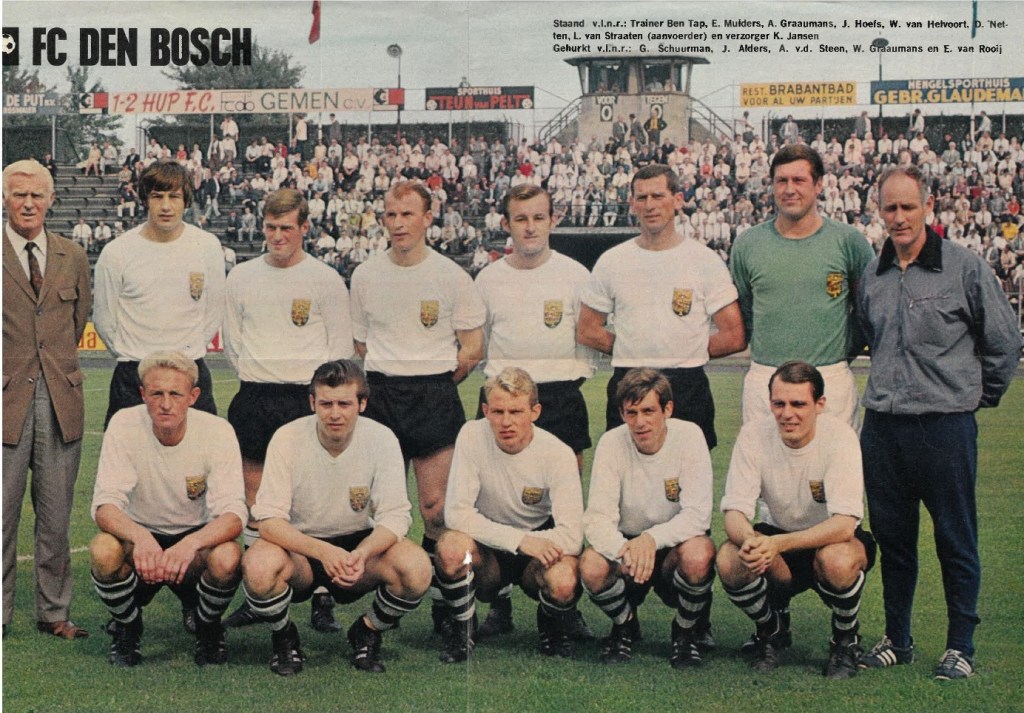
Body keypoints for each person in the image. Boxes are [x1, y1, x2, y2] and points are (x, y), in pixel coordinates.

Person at [856, 166, 1021, 680]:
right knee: (893, 539)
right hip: (883, 426)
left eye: (908, 206)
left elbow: (1005, 343)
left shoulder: (964, 267)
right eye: (890, 208)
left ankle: (960, 645)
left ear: (927, 207)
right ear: (878, 211)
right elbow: (869, 336)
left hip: (944, 427)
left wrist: (972, 399)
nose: (899, 217)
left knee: (955, 538)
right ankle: (897, 638)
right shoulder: (873, 275)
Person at [349, 181, 485, 627]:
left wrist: (437, 380)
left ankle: (447, 605)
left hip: (434, 394)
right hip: (382, 394)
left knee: (436, 508)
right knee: (374, 507)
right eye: (391, 215)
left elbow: (472, 347)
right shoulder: (366, 274)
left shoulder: (451, 275)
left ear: (428, 218)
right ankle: (378, 588)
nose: (399, 223)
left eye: (408, 214)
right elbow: (361, 343)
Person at [241, 360, 430, 676]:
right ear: (312, 402)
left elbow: (396, 516)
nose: (335, 414)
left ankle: (368, 631)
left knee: (417, 569)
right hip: (301, 549)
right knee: (258, 567)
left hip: (357, 548)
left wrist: (362, 553)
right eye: (326, 404)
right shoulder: (287, 438)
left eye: (345, 404)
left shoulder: (382, 438)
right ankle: (284, 636)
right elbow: (269, 521)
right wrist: (324, 552)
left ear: (362, 404)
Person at [221, 188, 354, 632]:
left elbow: (339, 349)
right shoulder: (241, 277)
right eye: (270, 227)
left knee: (312, 501)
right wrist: (261, 375)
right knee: (256, 502)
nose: (277, 236)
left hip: (305, 400)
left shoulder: (325, 279)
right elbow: (233, 344)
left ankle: (321, 595)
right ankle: (257, 594)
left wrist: (318, 398)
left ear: (304, 228)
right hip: (256, 396)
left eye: (286, 228)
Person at [472, 182, 595, 639]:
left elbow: (587, 337)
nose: (530, 227)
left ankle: (563, 605)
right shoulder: (488, 279)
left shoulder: (576, 274)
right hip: (504, 398)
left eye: (538, 217)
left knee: (564, 504)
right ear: (506, 223)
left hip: (560, 397)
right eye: (520, 219)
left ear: (553, 220)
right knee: (493, 499)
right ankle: (499, 601)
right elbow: (480, 343)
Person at [719, 361, 875, 679]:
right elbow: (734, 512)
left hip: (828, 540)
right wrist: (751, 542)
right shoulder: (753, 435)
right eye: (779, 404)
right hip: (778, 540)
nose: (787, 414)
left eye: (798, 404)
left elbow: (845, 524)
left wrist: (778, 543)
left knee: (837, 560)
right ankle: (771, 630)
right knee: (729, 559)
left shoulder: (840, 437)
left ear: (820, 404)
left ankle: (845, 639)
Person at [89, 352, 247, 667]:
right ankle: (128, 626)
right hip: (140, 540)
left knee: (228, 556)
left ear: (193, 396)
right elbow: (105, 505)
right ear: (142, 394)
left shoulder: (217, 430)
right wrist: (141, 538)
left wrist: (190, 543)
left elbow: (234, 514)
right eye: (156, 393)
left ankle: (208, 627)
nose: (165, 404)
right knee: (103, 549)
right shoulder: (123, 423)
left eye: (175, 394)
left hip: (193, 544)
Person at [577, 163, 745, 449]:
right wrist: (632, 348)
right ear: (632, 204)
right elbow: (587, 330)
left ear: (677, 200)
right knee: (627, 468)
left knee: (690, 471)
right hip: (629, 379)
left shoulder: (704, 260)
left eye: (658, 196)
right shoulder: (612, 261)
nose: (650, 205)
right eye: (642, 198)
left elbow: (734, 335)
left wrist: (685, 350)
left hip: (686, 383)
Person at [435, 367, 584, 662]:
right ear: (485, 411)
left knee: (564, 580)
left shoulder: (558, 453)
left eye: (516, 412)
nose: (506, 422)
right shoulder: (471, 435)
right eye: (498, 412)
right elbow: (456, 514)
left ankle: (550, 624)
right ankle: (463, 629)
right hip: (489, 548)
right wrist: (519, 541)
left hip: (537, 551)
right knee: (451, 548)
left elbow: (573, 536)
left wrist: (529, 543)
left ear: (535, 412)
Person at [2, 160, 92, 640]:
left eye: (37, 195)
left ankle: (54, 613)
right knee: (1, 516)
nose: (28, 203)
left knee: (56, 518)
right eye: (19, 195)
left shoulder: (71, 255)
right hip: (5, 401)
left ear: (51, 199)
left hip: (60, 400)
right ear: (4, 199)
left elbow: (76, 323)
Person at [729, 144, 874, 427]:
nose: (789, 189)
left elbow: (867, 310)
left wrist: (841, 353)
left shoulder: (849, 241)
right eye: (781, 181)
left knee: (835, 456)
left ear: (818, 185)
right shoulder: (748, 244)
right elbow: (746, 310)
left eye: (799, 180)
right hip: (766, 377)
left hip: (830, 378)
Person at [581, 368, 715, 668]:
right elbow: (597, 518)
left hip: (674, 545)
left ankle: (685, 632)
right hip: (628, 549)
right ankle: (625, 625)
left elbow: (698, 515)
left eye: (648, 411)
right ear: (622, 413)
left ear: (668, 409)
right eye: (631, 413)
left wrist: (651, 539)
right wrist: (625, 549)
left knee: (699, 553)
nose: (640, 422)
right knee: (591, 565)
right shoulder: (611, 442)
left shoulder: (690, 436)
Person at [93, 160, 225, 427]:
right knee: (128, 453)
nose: (166, 206)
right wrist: (137, 356)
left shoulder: (207, 246)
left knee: (199, 453)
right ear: (145, 199)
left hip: (190, 370)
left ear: (186, 201)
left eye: (174, 196)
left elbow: (214, 311)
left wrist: (184, 352)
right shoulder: (117, 252)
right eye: (157, 196)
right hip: (133, 376)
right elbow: (104, 320)